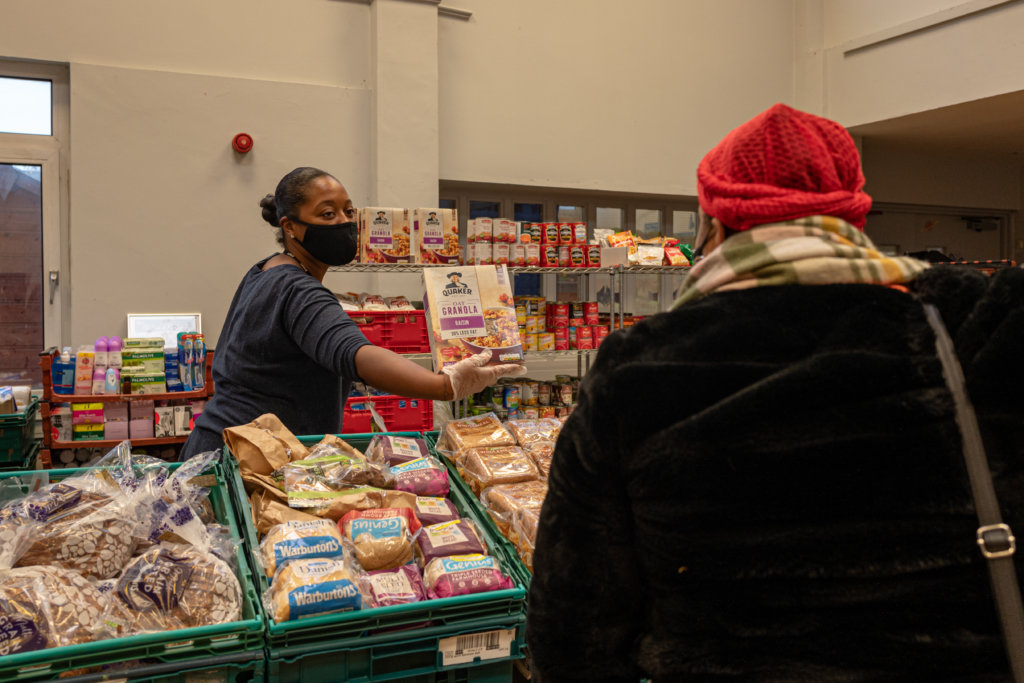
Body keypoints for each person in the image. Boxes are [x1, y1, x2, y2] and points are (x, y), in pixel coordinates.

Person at [526, 104, 1024, 681]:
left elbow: (574, 626)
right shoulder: (971, 327)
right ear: (851, 214)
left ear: (714, 223)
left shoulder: (638, 368)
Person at [180, 167, 524, 459]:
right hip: (245, 459)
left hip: (226, 447)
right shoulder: (297, 288)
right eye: (327, 214)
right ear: (290, 226)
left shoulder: (265, 271)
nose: (344, 222)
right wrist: (445, 385)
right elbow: (356, 354)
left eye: (348, 211)